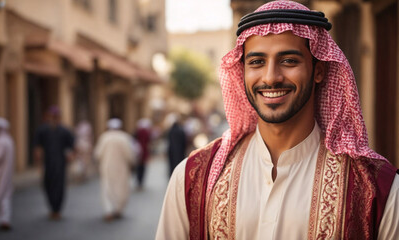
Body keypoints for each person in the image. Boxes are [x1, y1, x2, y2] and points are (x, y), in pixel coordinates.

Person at [156, 1, 399, 239]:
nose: (271, 77)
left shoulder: (377, 188)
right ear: (242, 72)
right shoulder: (192, 177)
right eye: (257, 62)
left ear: (318, 71)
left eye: (289, 61)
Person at [34, 106, 74, 220]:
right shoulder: (42, 130)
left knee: (59, 186)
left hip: (60, 164)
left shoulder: (65, 131)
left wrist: (71, 156)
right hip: (47, 163)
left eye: (56, 116)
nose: (54, 118)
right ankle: (52, 207)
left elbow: (71, 146)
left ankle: (57, 209)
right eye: (52, 116)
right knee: (47, 185)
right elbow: (37, 147)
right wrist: (38, 162)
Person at [94, 118, 136, 221]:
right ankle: (118, 209)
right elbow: (129, 154)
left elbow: (97, 154)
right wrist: (132, 163)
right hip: (121, 168)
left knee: (107, 188)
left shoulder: (104, 137)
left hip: (107, 167)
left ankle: (108, 210)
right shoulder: (124, 137)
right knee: (121, 188)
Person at [134, 118, 153, 190]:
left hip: (138, 152)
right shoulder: (146, 132)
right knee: (142, 168)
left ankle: (139, 182)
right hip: (144, 152)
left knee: (139, 168)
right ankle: (140, 182)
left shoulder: (137, 132)